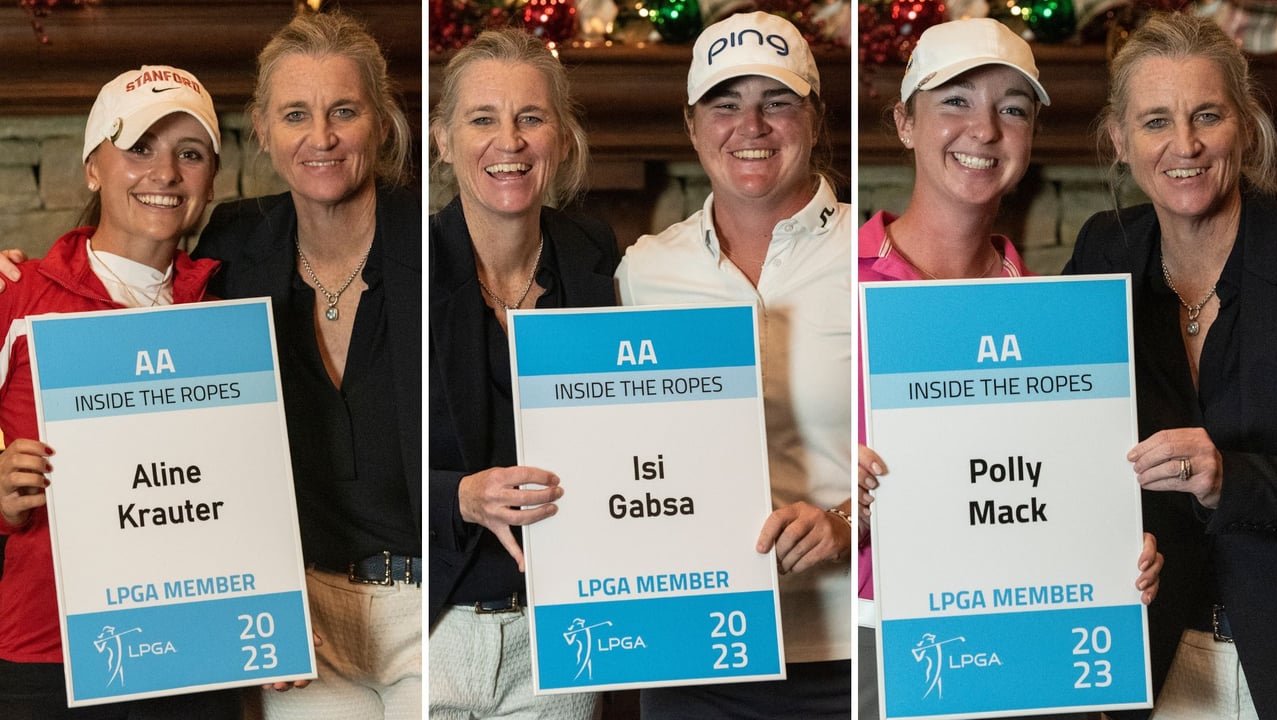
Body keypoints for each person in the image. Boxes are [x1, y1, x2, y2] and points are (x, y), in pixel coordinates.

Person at [858, 18, 1163, 719]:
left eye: (1013, 109)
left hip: (1033, 644)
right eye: (956, 100)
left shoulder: (1055, 317)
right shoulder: (841, 286)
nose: (986, 129)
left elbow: (1066, 488)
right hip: (884, 640)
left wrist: (1119, 546)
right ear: (904, 122)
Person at [615, 12, 852, 717]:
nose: (750, 126)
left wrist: (845, 523)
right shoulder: (644, 272)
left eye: (776, 102)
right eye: (725, 104)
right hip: (689, 644)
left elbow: (932, 456)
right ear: (693, 128)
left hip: (848, 641)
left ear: (813, 118)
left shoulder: (875, 261)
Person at [191, 10, 421, 719]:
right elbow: (124, 284)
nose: (320, 137)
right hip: (302, 614)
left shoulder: (442, 241)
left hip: (434, 607)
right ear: (261, 129)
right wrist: (26, 277)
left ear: (380, 123)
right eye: (295, 114)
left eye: (343, 111)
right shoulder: (232, 241)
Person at [0, 65, 240, 720]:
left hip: (199, 649)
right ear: (92, 168)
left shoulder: (227, 313)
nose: (164, 173)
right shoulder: (15, 296)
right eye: (138, 148)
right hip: (51, 652)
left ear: (210, 178)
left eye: (189, 153)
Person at [1062, 12, 1277, 719]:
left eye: (1207, 115)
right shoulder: (1103, 251)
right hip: (1154, 659)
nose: (1184, 145)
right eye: (1156, 121)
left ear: (1243, 126)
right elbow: (1058, 431)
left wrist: (1232, 478)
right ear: (1121, 140)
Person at [427, 28, 616, 719]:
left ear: (560, 138)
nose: (509, 141)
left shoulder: (596, 259)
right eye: (482, 118)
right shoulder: (402, 270)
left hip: (560, 633)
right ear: (443, 140)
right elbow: (357, 474)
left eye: (530, 118)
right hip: (431, 628)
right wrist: (459, 497)